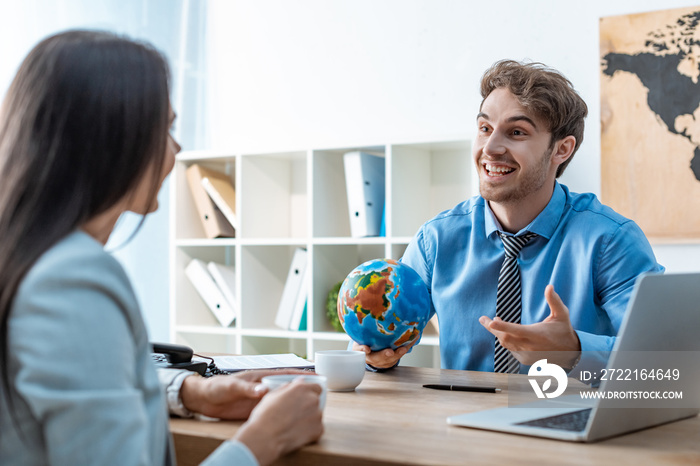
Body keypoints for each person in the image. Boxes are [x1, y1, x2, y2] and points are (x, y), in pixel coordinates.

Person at [0, 30, 322, 466]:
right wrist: (262, 441)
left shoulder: (27, 258)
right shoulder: (72, 279)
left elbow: (74, 377)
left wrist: (189, 391)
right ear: (112, 139)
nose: (178, 147)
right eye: (167, 127)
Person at [354, 59, 663, 377]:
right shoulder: (436, 239)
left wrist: (575, 350)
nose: (490, 148)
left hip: (569, 416)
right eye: (485, 128)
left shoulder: (611, 240)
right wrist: (374, 354)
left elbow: (667, 359)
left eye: (516, 132)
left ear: (562, 149)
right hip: (461, 420)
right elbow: (380, 334)